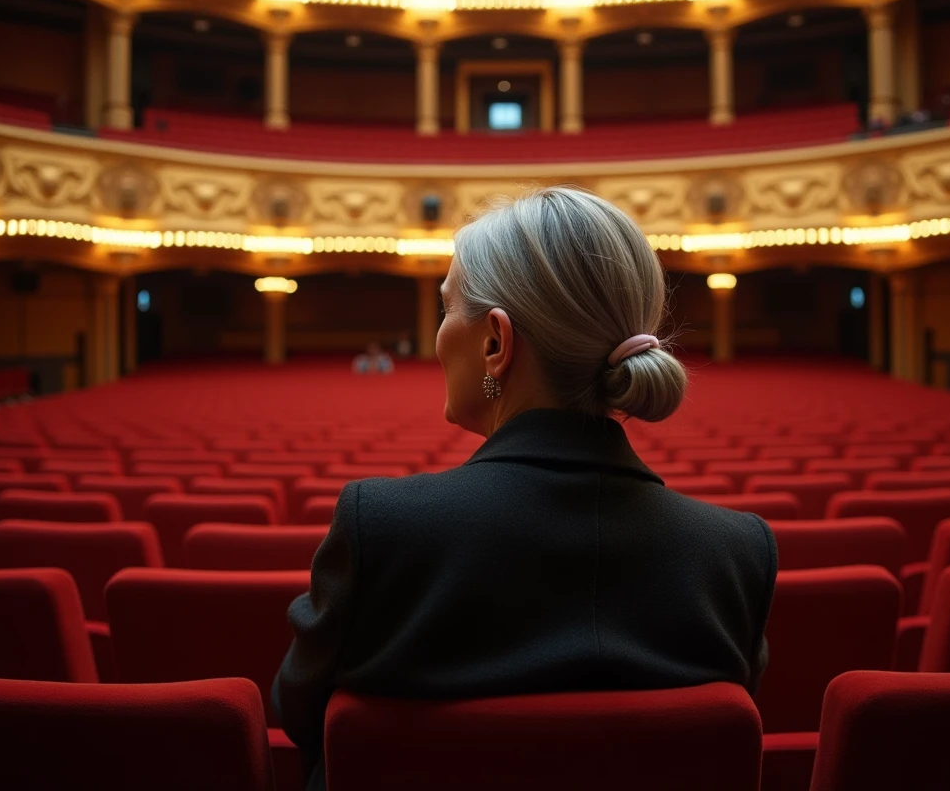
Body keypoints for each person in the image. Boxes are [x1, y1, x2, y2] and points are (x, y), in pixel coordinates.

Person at [273, 187, 777, 790]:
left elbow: (300, 714)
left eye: (445, 309)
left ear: (495, 343)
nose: (437, 336)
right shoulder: (737, 552)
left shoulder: (380, 526)